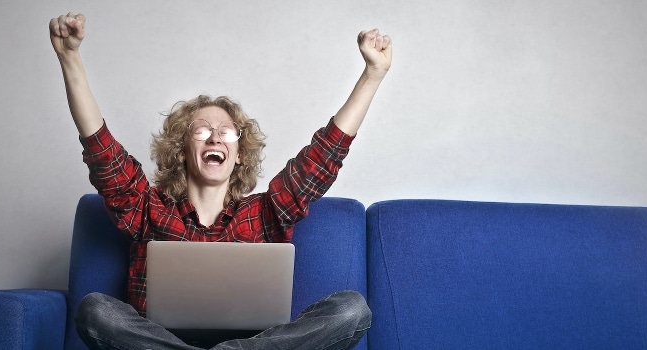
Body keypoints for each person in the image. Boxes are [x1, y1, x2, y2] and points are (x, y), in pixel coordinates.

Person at [49, 11, 392, 350]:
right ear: (182, 150)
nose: (214, 138)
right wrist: (70, 58)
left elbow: (323, 156)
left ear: (239, 153)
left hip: (251, 345)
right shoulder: (147, 207)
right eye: (201, 130)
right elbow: (101, 149)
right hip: (158, 342)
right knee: (95, 310)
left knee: (351, 310)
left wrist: (372, 74)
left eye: (226, 132)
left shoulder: (264, 214)